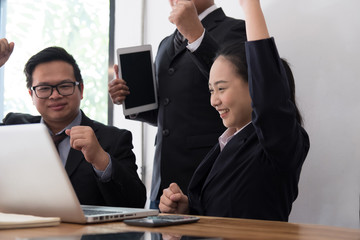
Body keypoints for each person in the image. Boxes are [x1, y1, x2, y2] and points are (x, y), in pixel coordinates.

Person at [159, 0, 310, 221]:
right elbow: (223, 208)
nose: (213, 101)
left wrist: (250, 6)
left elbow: (268, 92)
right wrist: (189, 211)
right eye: (211, 90)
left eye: (221, 88)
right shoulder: (224, 146)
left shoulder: (277, 143)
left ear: (254, 86)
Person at [108, 0, 247, 209]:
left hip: (205, 176)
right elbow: (167, 112)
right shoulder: (166, 43)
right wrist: (130, 100)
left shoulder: (237, 30)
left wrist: (197, 36)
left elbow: (236, 92)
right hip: (161, 181)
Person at [1, 46, 146, 208]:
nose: (55, 95)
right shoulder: (13, 127)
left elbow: (136, 203)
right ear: (31, 95)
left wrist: (101, 159)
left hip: (88, 233)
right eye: (44, 88)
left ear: (81, 89)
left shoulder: (113, 140)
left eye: (64, 86)